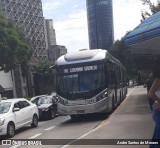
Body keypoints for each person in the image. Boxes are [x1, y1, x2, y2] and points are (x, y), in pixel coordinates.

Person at [148, 57, 160, 148]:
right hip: (158, 111)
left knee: (156, 136)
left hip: (157, 110)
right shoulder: (158, 79)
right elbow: (151, 94)